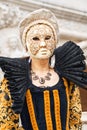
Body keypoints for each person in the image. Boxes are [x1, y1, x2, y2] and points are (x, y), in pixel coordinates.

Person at [0, 8, 87, 130]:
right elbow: (7, 124)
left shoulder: (67, 78)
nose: (43, 44)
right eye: (35, 39)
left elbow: (75, 120)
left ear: (55, 41)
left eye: (48, 38)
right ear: (26, 44)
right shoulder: (13, 79)